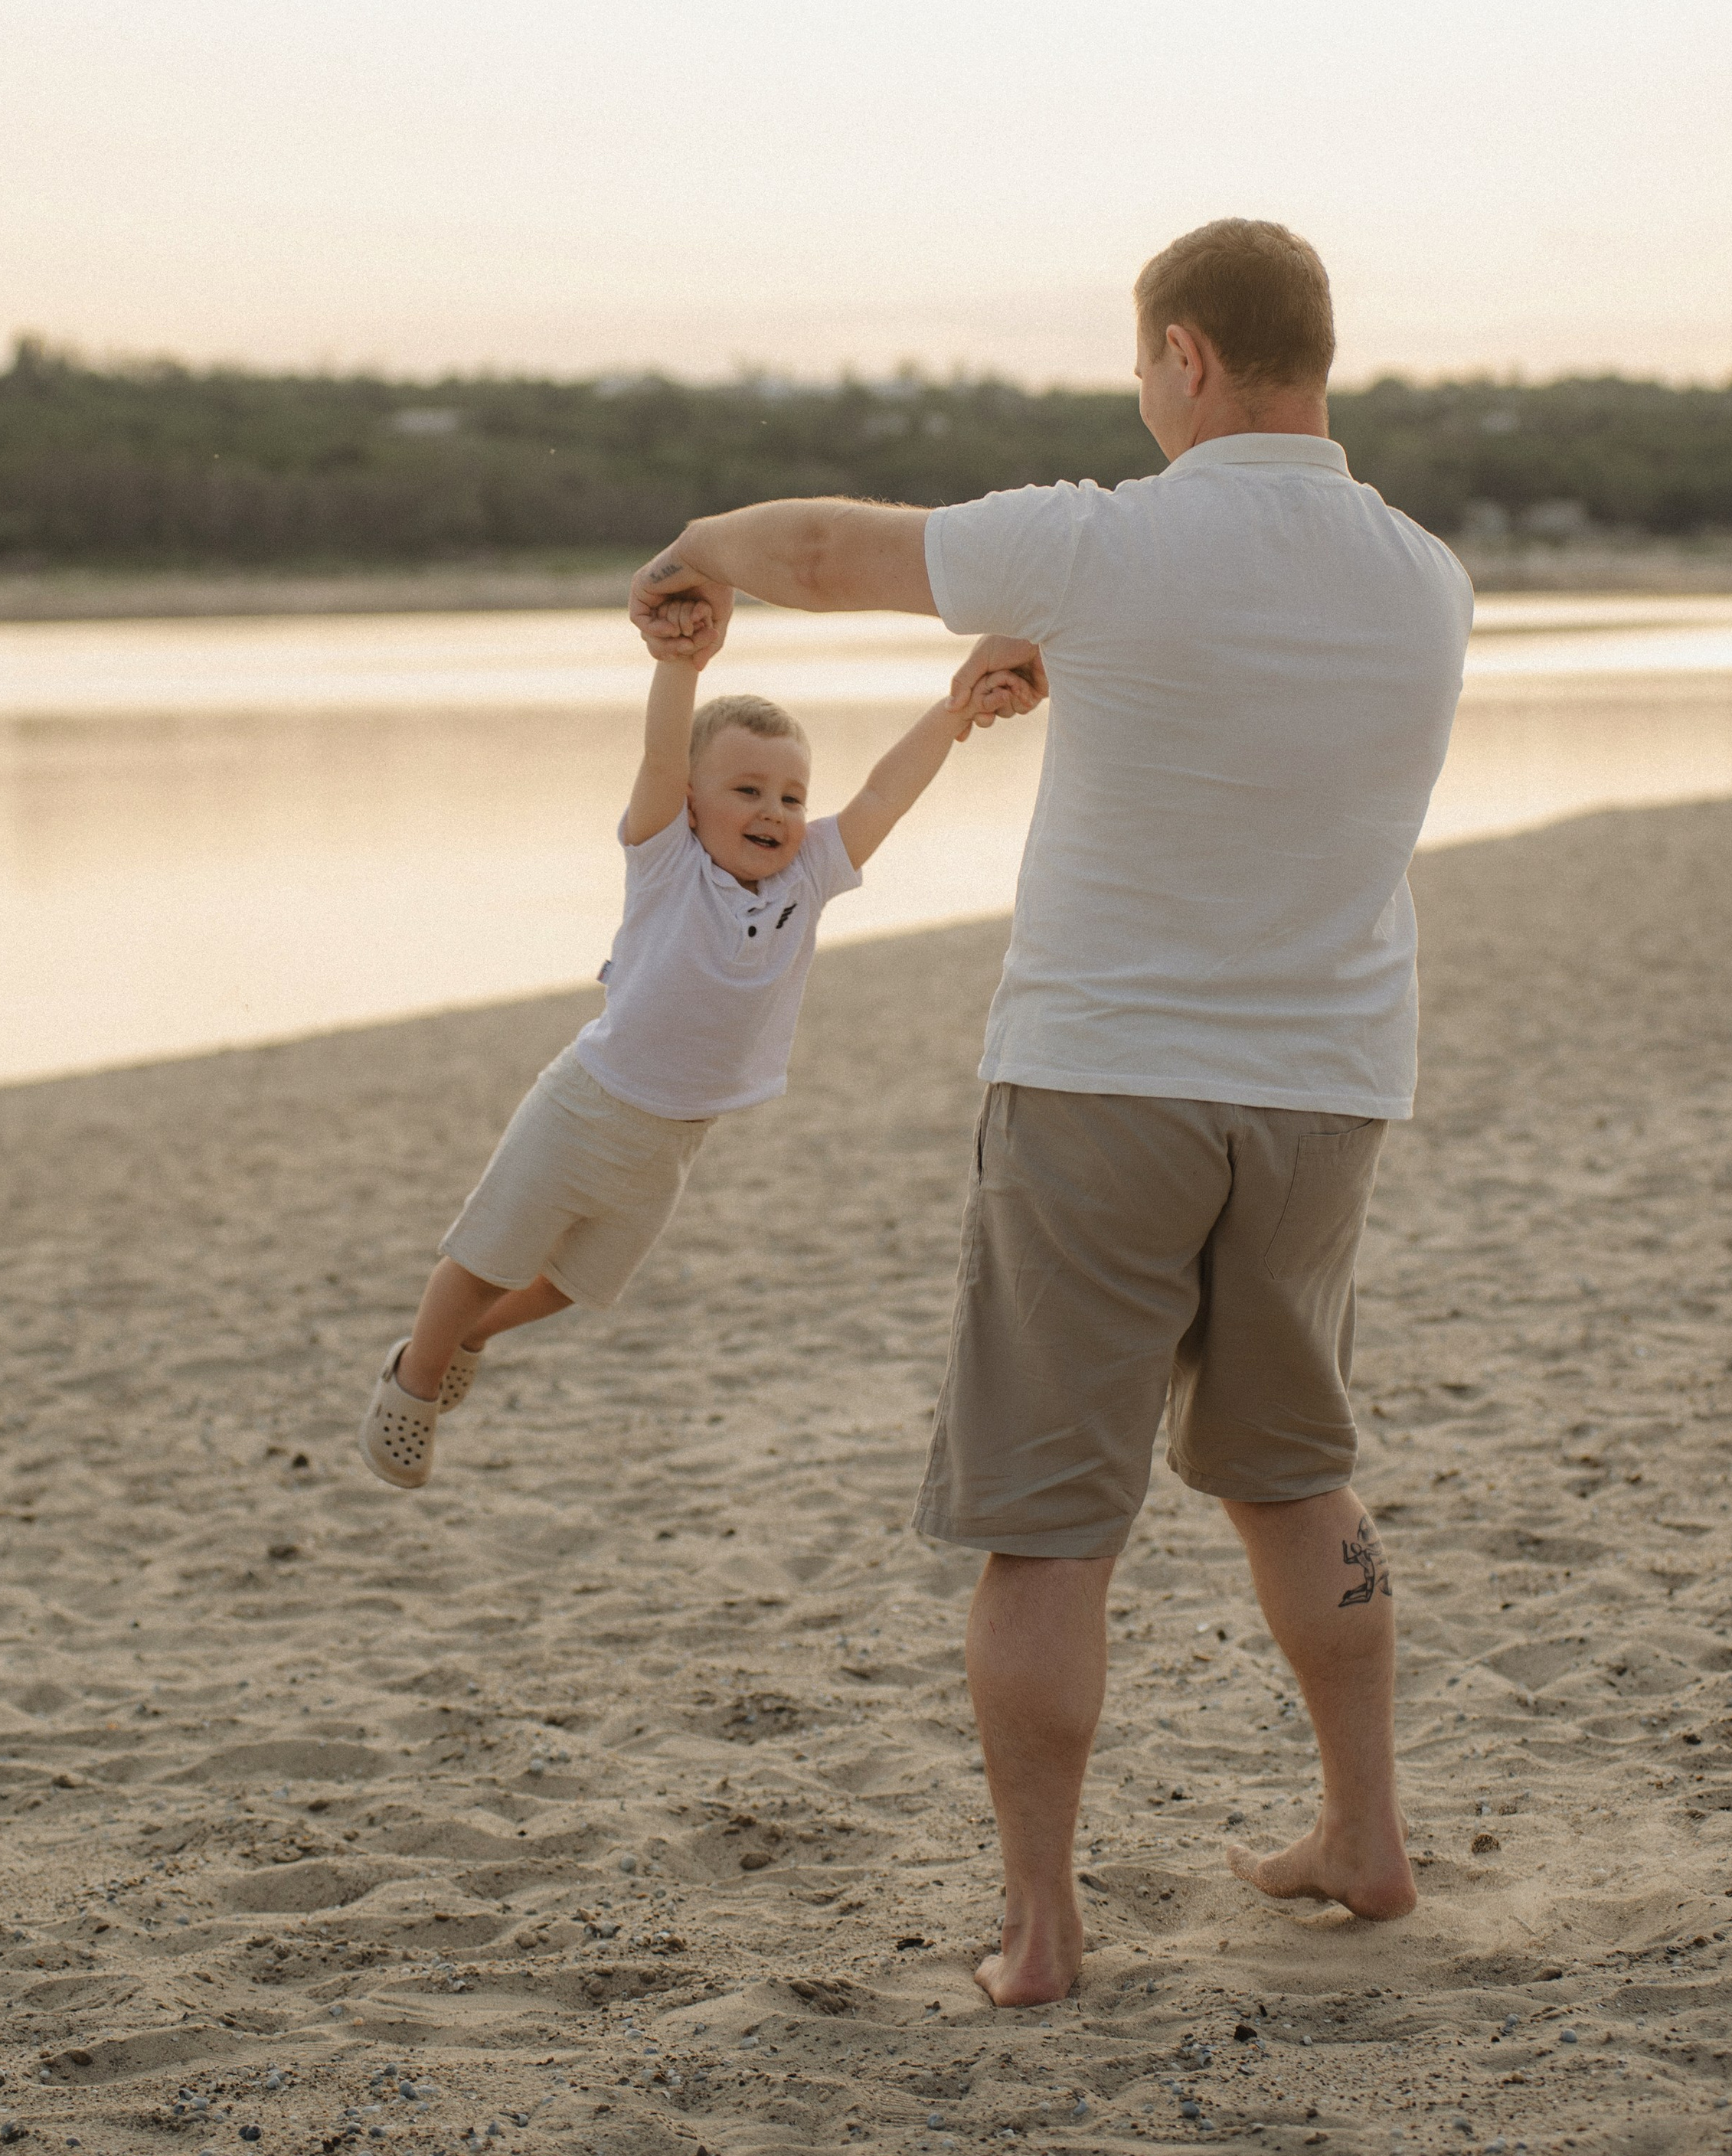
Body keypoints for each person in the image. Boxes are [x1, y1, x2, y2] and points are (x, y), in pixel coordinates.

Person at [628, 217, 1474, 2007]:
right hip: (1325, 1088)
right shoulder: (1423, 577)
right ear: (1310, 353)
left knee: (1046, 1514)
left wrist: (698, 551)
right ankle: (1364, 1832)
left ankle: (1038, 1922)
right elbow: (1252, 719)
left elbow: (828, 547)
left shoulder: (1103, 539)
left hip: (1102, 1075)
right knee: (1296, 1470)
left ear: (1179, 353)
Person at [358, 624, 1041, 1490]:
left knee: (571, 1284)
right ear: (690, 801)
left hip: (674, 1138)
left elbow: (881, 794)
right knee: (483, 1258)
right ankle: (414, 1382)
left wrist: (951, 714)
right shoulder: (665, 861)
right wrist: (678, 664)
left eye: (791, 797)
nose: (774, 811)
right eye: (747, 789)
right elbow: (656, 757)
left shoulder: (808, 877)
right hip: (587, 1104)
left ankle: (473, 1337)